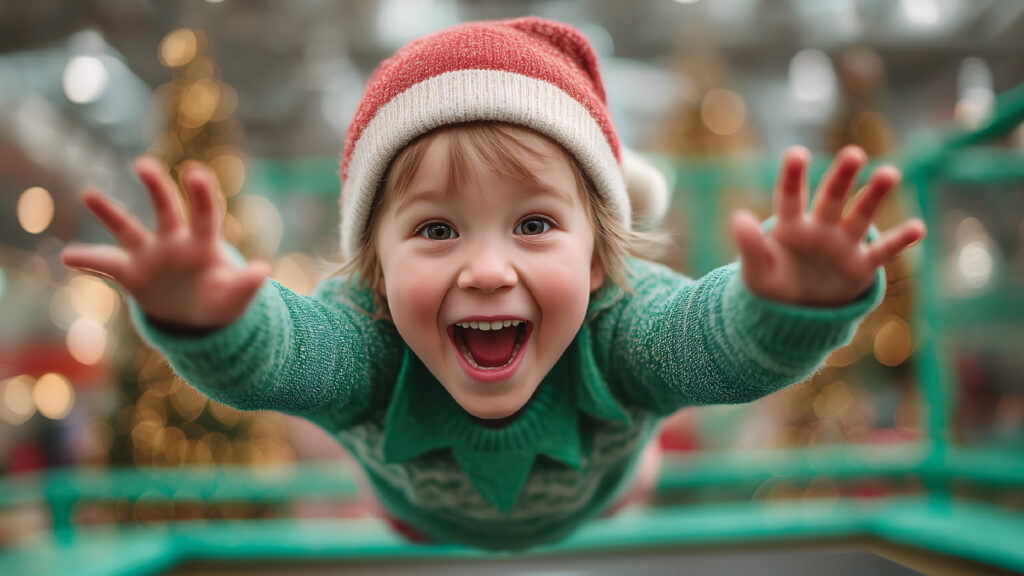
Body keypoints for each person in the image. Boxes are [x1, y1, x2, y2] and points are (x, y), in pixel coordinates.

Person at [61, 17, 926, 550]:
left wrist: (785, 310)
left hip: (601, 490)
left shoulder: (624, 325)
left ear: (598, 259)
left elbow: (709, 339)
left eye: (534, 225)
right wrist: (216, 323)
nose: (485, 270)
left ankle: (635, 469)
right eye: (437, 230)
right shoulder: (364, 341)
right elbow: (285, 351)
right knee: (395, 497)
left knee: (635, 472)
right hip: (414, 514)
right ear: (375, 270)